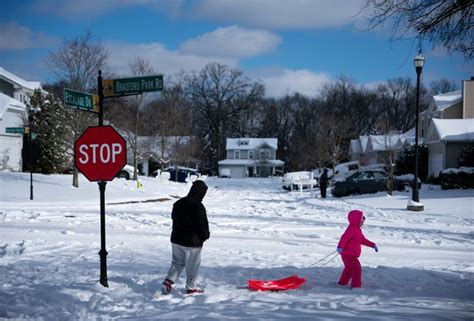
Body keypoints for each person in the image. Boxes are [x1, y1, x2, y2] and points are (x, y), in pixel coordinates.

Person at [162, 180, 210, 295]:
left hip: (176, 239)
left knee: (177, 262)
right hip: (192, 243)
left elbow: (174, 218)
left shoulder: (179, 203)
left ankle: (168, 281)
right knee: (192, 266)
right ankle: (191, 288)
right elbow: (202, 225)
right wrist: (204, 237)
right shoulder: (198, 206)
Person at [336, 210, 378, 289]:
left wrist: (372, 245)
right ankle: (356, 286)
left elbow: (363, 240)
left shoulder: (357, 230)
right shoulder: (351, 229)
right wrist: (340, 247)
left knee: (349, 269)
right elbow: (344, 238)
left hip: (349, 254)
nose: (363, 222)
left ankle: (342, 283)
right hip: (348, 255)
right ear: (356, 220)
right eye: (361, 220)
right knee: (357, 269)